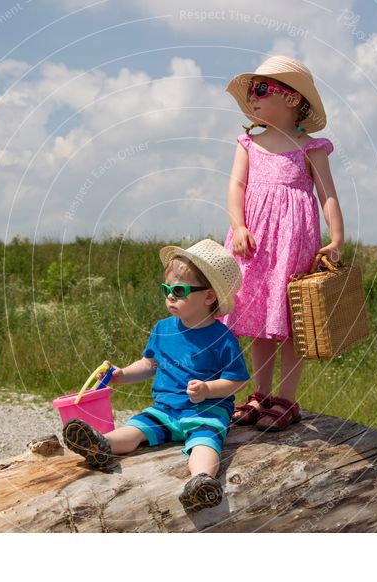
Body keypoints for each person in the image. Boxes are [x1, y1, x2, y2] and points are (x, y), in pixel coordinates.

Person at [62, 239, 249, 512]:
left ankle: (202, 481)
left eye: (179, 290)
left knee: (205, 444)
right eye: (166, 289)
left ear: (209, 297)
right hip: (165, 410)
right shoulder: (163, 329)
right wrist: (122, 374)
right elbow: (149, 364)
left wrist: (208, 389)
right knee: (136, 429)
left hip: (206, 412)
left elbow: (237, 380)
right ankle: (101, 445)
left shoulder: (222, 338)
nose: (170, 296)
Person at [220, 55, 345, 431]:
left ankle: (287, 398)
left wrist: (337, 238)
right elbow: (236, 187)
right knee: (261, 319)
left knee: (292, 319)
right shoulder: (249, 143)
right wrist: (238, 226)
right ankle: (260, 393)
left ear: (292, 99)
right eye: (250, 92)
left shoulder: (311, 147)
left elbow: (328, 195)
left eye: (261, 90)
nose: (252, 98)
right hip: (254, 242)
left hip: (294, 240)